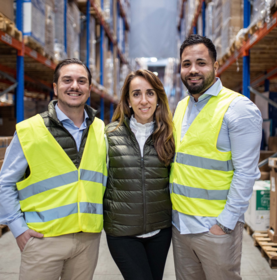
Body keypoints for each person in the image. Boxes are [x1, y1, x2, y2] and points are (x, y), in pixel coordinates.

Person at [0, 58, 107, 280]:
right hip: (43, 241)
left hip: (88, 241)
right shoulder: (30, 131)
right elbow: (4, 184)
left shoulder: (100, 130)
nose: (75, 86)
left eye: (81, 81)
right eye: (67, 80)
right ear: (55, 88)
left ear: (89, 89)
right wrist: (19, 229)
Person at [170, 34, 262, 280]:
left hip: (215, 230)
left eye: (201, 63)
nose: (193, 70)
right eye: (187, 64)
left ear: (215, 66)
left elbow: (247, 173)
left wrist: (224, 224)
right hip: (181, 227)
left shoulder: (239, 109)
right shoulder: (180, 107)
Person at [104, 69, 175, 280]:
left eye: (150, 93)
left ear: (158, 98)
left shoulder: (170, 136)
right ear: (127, 100)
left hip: (160, 231)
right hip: (122, 233)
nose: (144, 100)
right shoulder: (108, 135)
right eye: (136, 94)